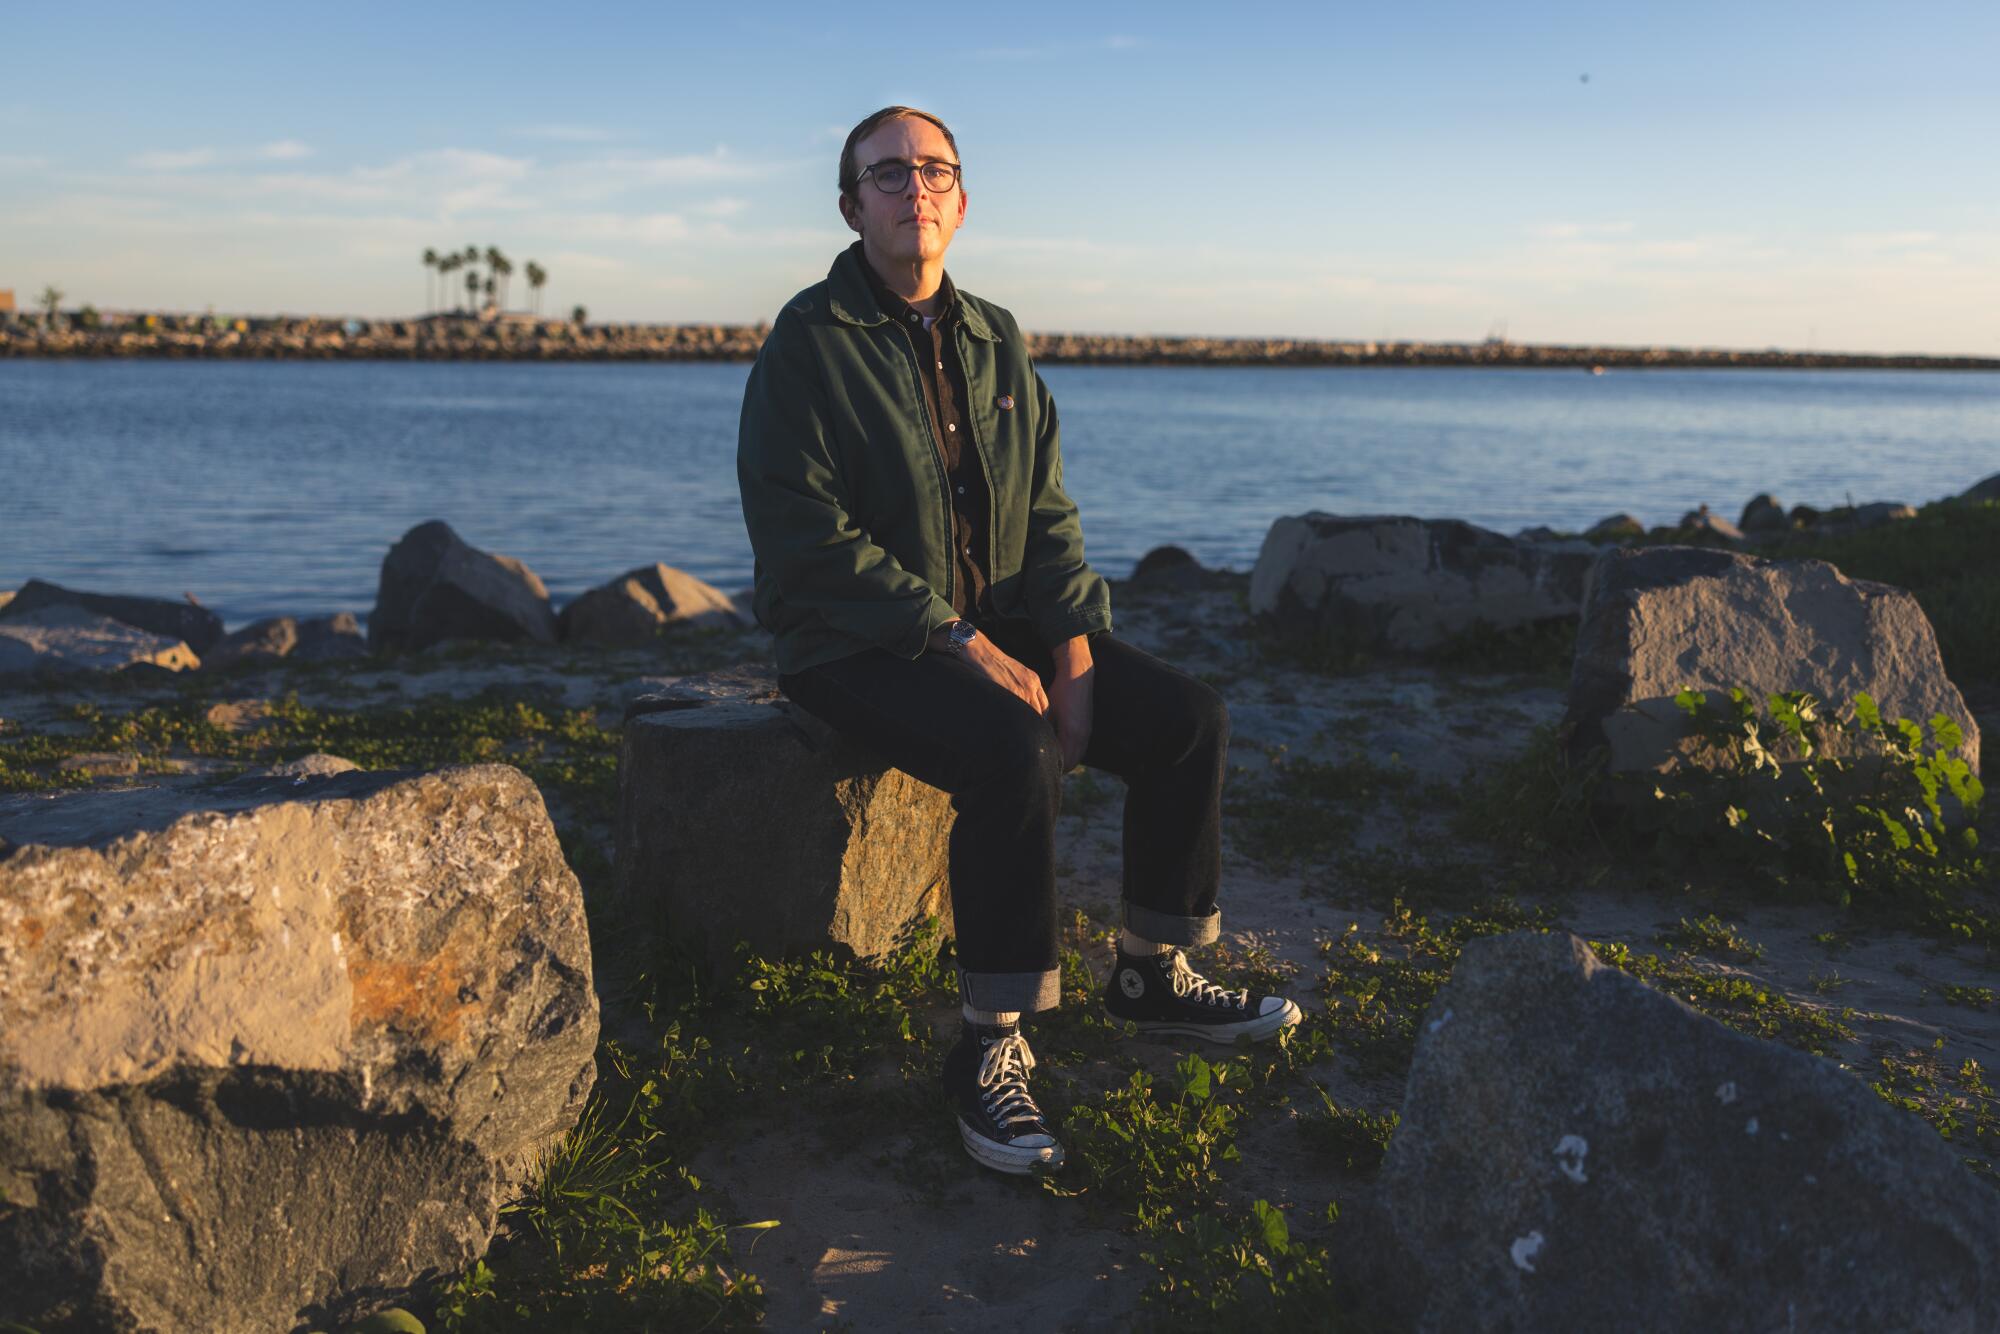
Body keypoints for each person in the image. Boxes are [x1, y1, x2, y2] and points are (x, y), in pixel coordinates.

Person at [736, 106, 1299, 1176]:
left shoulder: (995, 333)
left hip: (991, 625)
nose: (914, 188)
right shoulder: (808, 341)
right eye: (887, 173)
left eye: (933, 170)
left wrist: (1074, 647)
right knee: (1009, 750)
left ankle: (1151, 970)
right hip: (847, 640)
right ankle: (989, 1046)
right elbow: (800, 537)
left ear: (960, 198)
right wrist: (949, 632)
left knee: (1187, 720)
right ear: (851, 205)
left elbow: (1045, 512)